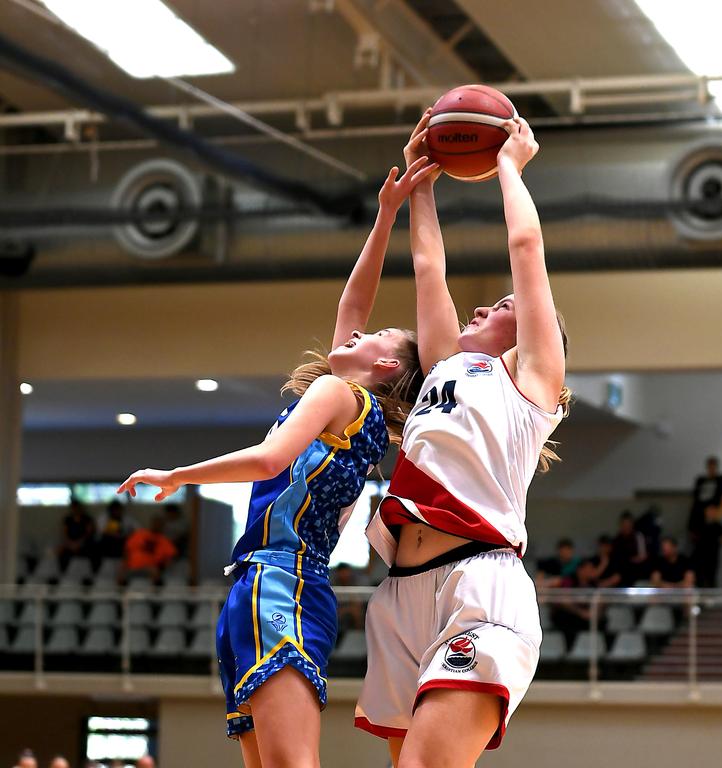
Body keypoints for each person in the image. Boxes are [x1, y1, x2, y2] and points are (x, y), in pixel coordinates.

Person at [117, 157, 434, 768]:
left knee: (289, 764)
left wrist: (177, 475)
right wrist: (386, 216)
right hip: (270, 579)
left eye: (374, 336)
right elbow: (354, 304)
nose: (355, 332)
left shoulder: (340, 394)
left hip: (279, 579)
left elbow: (269, 461)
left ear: (386, 366)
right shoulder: (353, 407)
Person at [356, 112, 569, 767]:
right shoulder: (446, 367)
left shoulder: (530, 384)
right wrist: (423, 186)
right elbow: (428, 269)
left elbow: (526, 251)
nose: (483, 307)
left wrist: (508, 167)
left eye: (503, 307)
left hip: (480, 582)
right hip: (401, 591)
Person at [121, 515, 178, 584]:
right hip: (132, 567)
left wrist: (161, 567)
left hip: (150, 569)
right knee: (122, 576)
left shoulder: (164, 540)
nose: (157, 526)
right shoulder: (140, 534)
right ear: (152, 523)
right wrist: (124, 566)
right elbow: (127, 550)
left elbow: (172, 556)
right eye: (155, 523)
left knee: (156, 573)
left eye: (159, 524)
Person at [688, 457, 722, 544]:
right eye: (710, 467)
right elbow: (695, 499)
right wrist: (691, 529)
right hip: (701, 509)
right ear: (707, 467)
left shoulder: (721, 480)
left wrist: (717, 506)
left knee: (713, 524)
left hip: (714, 506)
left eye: (713, 467)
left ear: (716, 467)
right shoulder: (701, 480)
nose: (712, 469)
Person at [57, 498, 95, 570]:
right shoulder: (68, 519)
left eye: (78, 508)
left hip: (84, 543)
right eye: (74, 508)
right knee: (62, 552)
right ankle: (65, 572)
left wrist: (79, 543)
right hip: (70, 544)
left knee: (92, 551)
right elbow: (64, 534)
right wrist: (71, 544)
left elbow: (88, 533)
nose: (76, 510)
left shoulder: (87, 519)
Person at [612, 511, 648, 586]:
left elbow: (643, 556)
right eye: (624, 524)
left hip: (636, 570)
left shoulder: (638, 536)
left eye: (629, 524)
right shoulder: (617, 539)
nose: (626, 527)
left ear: (632, 524)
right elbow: (615, 558)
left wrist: (631, 560)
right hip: (621, 573)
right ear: (621, 525)